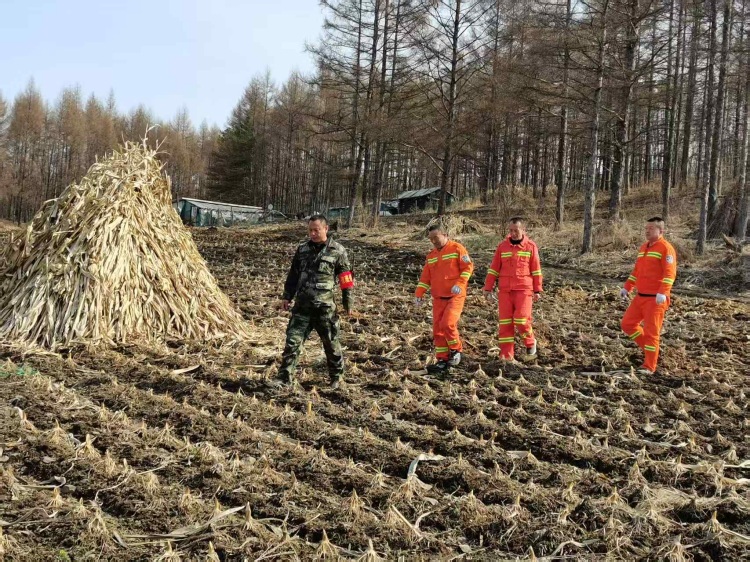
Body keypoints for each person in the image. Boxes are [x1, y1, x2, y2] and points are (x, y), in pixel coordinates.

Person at [275, 215, 354, 388]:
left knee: (331, 344)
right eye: (310, 230)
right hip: (302, 307)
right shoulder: (302, 250)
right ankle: (284, 378)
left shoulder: (338, 251)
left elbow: (346, 278)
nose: (312, 234)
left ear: (326, 229)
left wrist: (348, 302)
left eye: (316, 230)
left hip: (324, 309)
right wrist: (287, 296)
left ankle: (337, 378)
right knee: (292, 343)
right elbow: (293, 275)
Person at [414, 223, 474, 375]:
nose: (434, 241)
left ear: (445, 235)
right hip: (438, 297)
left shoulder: (457, 248)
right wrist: (419, 293)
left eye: (436, 237)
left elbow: (468, 267)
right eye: (431, 239)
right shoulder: (431, 256)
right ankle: (442, 359)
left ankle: (456, 350)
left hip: (455, 296)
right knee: (437, 330)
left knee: (447, 323)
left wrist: (460, 284)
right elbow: (425, 278)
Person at [620, 217, 677, 374]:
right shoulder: (644, 248)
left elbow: (670, 274)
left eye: (651, 228)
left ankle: (649, 366)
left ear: (661, 230)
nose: (647, 231)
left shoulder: (666, 248)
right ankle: (650, 349)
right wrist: (627, 287)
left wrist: (663, 292)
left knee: (652, 332)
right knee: (627, 324)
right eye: (646, 228)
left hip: (655, 299)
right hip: (640, 296)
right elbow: (637, 271)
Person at [483, 217, 543, 361]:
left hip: (524, 290)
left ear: (523, 230)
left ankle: (530, 343)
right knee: (505, 324)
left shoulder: (530, 246)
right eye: (511, 230)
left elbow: (536, 270)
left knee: (521, 319)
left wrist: (537, 290)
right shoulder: (502, 247)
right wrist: (488, 287)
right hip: (505, 291)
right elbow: (494, 269)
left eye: (516, 230)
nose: (513, 233)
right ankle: (506, 356)